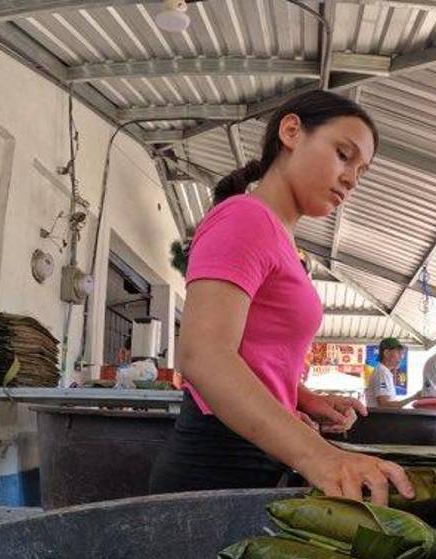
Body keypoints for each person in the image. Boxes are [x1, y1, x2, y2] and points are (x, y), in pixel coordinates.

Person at [148, 90, 413, 505]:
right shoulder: (244, 217)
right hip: (217, 464)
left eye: (361, 171)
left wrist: (303, 397)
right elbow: (204, 356)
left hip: (256, 456)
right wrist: (321, 458)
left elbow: (256, 352)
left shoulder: (283, 240)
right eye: (344, 155)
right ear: (291, 131)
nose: (351, 179)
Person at [365, 337, 405, 408]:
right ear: (386, 353)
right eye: (398, 352)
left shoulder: (384, 371)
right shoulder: (382, 372)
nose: (401, 357)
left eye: (401, 353)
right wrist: (413, 398)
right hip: (381, 418)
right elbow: (384, 403)